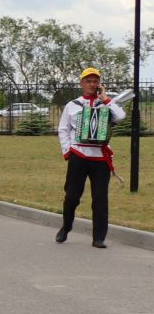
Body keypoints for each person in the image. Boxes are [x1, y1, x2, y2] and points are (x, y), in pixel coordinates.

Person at [58, 67, 128, 248]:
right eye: (88, 81)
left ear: (100, 84)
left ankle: (99, 237)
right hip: (78, 155)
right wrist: (67, 151)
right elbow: (63, 129)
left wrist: (105, 99)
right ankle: (66, 227)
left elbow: (120, 116)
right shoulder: (73, 105)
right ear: (81, 84)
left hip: (100, 158)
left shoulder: (105, 104)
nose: (92, 84)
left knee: (100, 199)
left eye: (95, 81)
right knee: (72, 196)